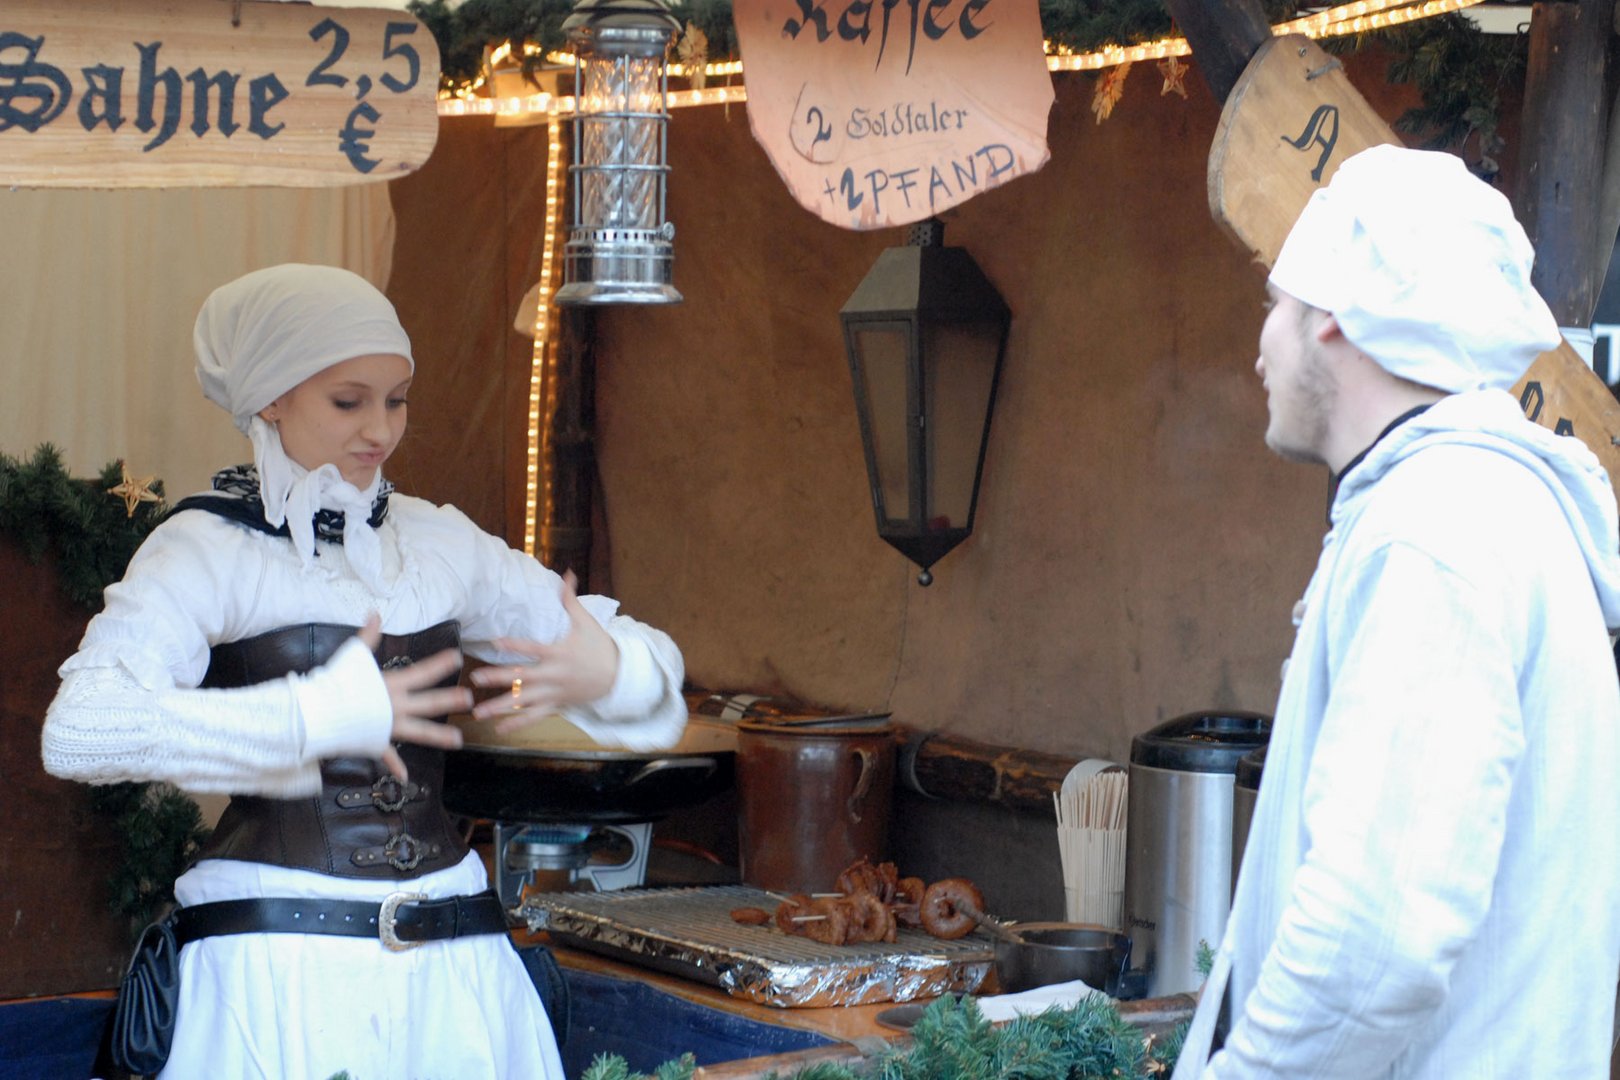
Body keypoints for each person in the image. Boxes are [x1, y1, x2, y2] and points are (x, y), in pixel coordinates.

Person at [40, 263, 687, 1078]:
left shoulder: (439, 542)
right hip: (277, 979)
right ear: (271, 397)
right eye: (348, 401)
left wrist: (618, 675)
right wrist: (310, 716)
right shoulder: (206, 549)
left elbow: (659, 698)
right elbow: (82, 730)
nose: (378, 429)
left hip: (455, 973)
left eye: (397, 398)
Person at [1173, 145, 1620, 1078]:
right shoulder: (1463, 510)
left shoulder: (1435, 532)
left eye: (1278, 308)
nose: (1261, 345)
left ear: (1337, 316)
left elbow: (1372, 944)